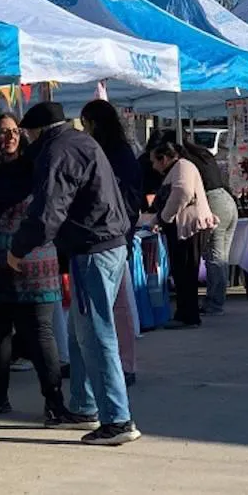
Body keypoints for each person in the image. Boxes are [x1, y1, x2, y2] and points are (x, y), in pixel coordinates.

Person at [9, 102, 140, 446]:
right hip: (108, 243)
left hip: (92, 249)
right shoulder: (81, 142)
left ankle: (117, 419)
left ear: (37, 131)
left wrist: (18, 248)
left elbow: (48, 211)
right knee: (80, 332)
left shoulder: (59, 152)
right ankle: (85, 405)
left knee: (96, 334)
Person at [0, 113, 64, 420]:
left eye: (14, 131)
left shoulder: (33, 166)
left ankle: (54, 401)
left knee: (39, 333)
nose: (11, 137)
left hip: (33, 262)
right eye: (3, 132)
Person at [80, 101, 143, 385]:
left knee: (114, 307)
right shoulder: (118, 151)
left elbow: (121, 197)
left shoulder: (112, 154)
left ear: (94, 123)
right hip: (116, 233)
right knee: (113, 306)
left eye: (85, 124)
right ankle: (119, 364)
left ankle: (122, 365)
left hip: (111, 235)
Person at [146, 131, 238, 316]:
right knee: (219, 258)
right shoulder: (200, 154)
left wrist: (164, 217)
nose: (154, 166)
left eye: (155, 160)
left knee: (212, 258)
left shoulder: (183, 165)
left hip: (210, 206)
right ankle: (213, 302)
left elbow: (183, 192)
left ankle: (212, 304)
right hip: (225, 201)